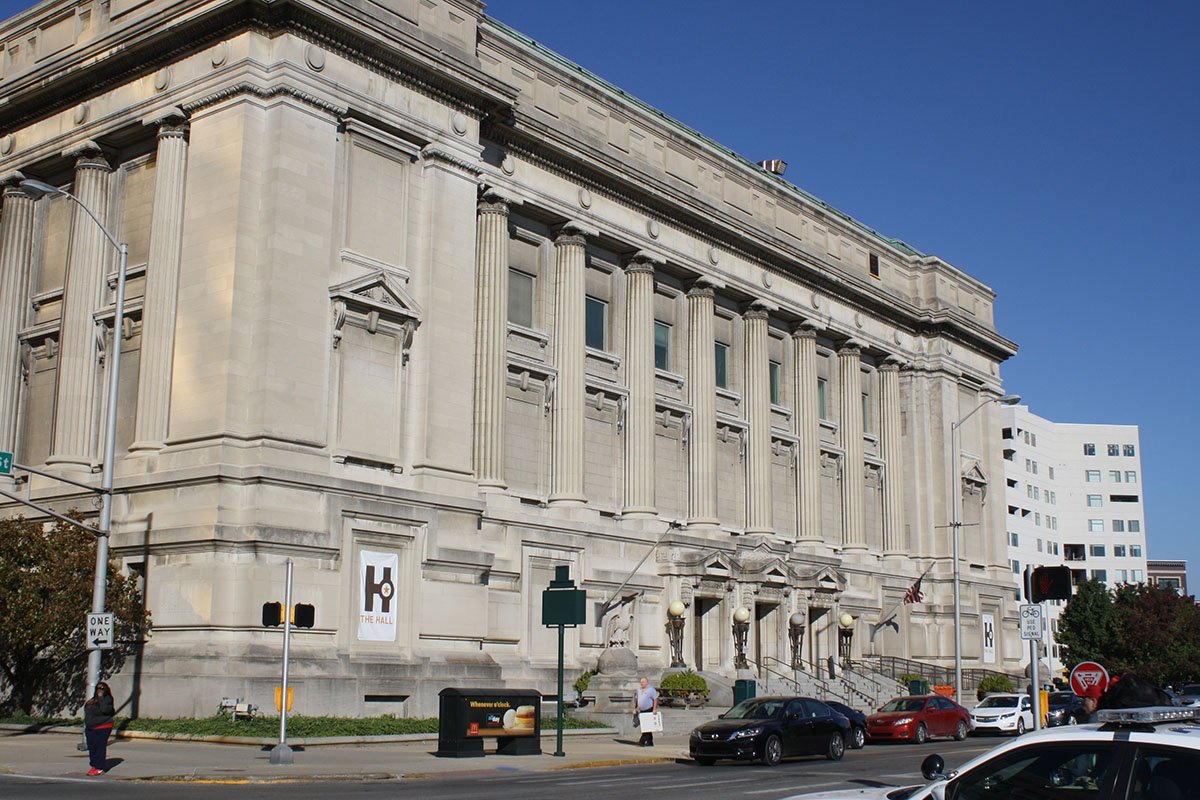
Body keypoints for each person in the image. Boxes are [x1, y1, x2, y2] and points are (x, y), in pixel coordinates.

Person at [84, 681, 116, 776]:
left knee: (99, 747)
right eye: (98, 688)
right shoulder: (92, 700)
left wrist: (101, 697)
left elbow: (105, 710)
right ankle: (94, 764)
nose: (99, 690)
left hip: (103, 726)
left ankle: (99, 767)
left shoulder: (108, 699)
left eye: (102, 688)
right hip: (91, 727)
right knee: (92, 747)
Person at [633, 676, 659, 747]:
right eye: (641, 682)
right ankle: (650, 742)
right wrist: (635, 708)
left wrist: (654, 709)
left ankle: (642, 741)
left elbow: (655, 699)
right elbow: (636, 700)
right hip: (642, 710)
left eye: (643, 682)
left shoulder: (651, 689)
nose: (642, 683)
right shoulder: (639, 690)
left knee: (646, 727)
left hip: (649, 709)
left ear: (647, 682)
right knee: (647, 727)